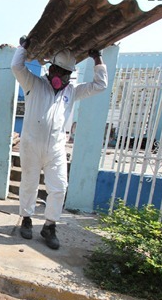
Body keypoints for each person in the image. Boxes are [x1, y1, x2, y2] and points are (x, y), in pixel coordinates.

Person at [11, 37, 107, 249]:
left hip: (55, 148)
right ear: (51, 69)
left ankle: (49, 226)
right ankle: (26, 219)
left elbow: (100, 85)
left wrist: (97, 58)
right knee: (29, 184)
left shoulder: (72, 92)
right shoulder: (33, 84)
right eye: (58, 71)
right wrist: (23, 47)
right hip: (30, 145)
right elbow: (16, 66)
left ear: (69, 75)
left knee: (59, 187)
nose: (60, 77)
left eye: (65, 73)